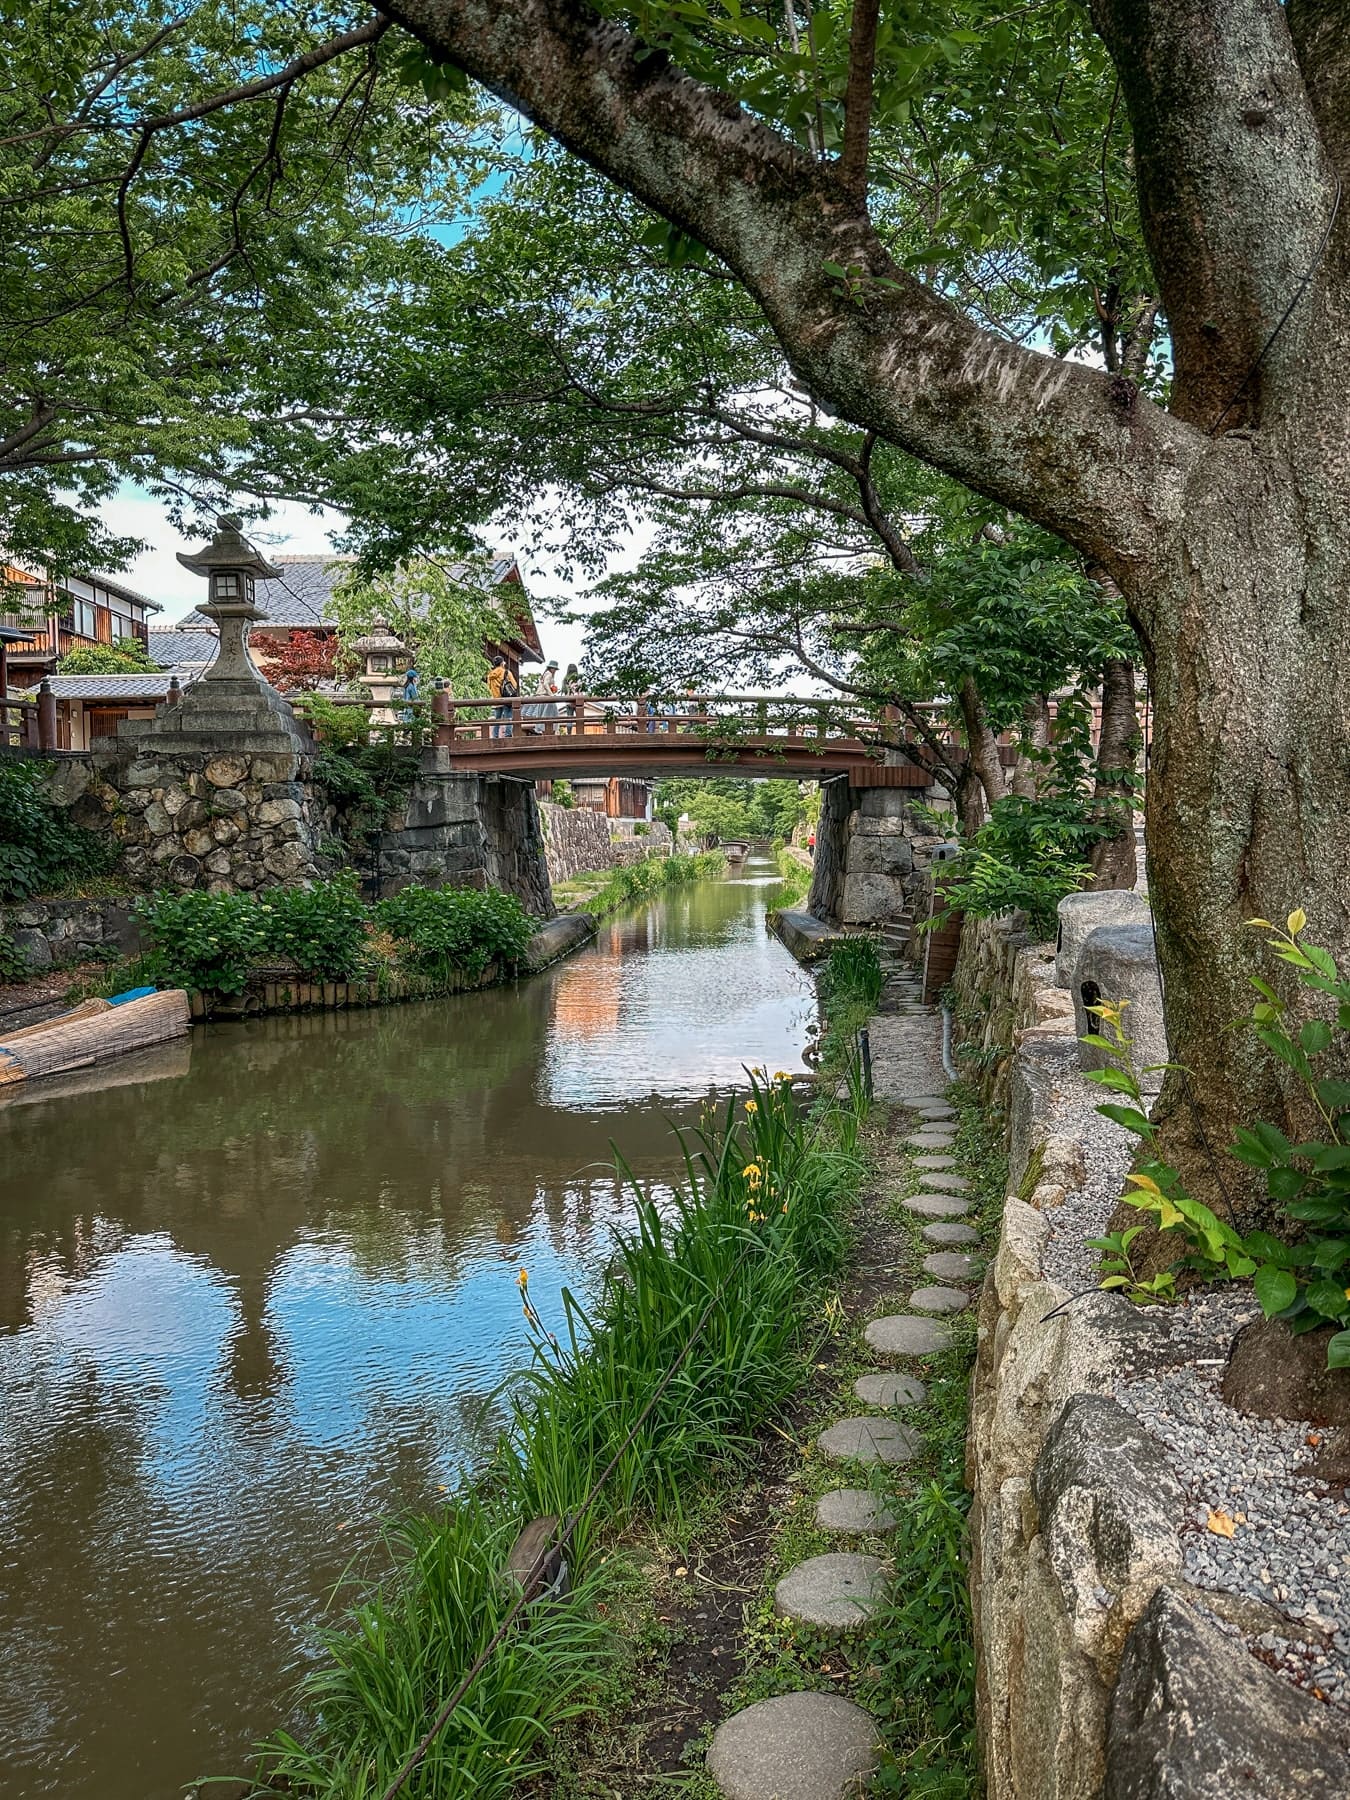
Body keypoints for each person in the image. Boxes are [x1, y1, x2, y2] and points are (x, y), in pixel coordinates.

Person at [526, 659, 560, 733]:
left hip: (540, 696)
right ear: (551, 668)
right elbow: (545, 684)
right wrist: (551, 695)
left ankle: (543, 729)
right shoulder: (549, 674)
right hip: (544, 696)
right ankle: (548, 729)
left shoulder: (545, 674)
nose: (554, 670)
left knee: (541, 714)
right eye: (554, 668)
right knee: (552, 712)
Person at [487, 655, 516, 738]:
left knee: (497, 718)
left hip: (496, 699)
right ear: (502, 663)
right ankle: (508, 734)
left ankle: (495, 736)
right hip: (506, 698)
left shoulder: (490, 676)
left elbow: (489, 687)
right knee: (508, 717)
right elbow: (514, 685)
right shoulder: (506, 672)